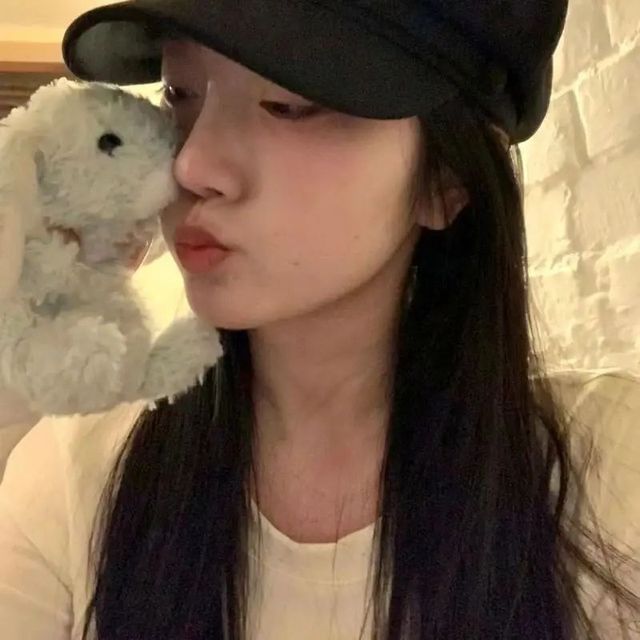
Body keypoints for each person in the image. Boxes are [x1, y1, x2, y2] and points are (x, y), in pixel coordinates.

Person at [1, 1, 639, 639]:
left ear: (444, 181)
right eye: (179, 94)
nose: (192, 164)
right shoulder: (72, 476)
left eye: (287, 104)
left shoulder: (610, 474)